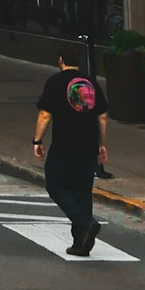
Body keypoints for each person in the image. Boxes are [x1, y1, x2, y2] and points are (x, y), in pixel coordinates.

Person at [33, 50, 108, 257]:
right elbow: (102, 116)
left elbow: (45, 114)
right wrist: (101, 144)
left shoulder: (55, 82)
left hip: (64, 145)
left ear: (60, 60)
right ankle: (80, 243)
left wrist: (37, 139)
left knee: (56, 186)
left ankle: (85, 223)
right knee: (83, 192)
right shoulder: (91, 82)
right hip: (89, 146)